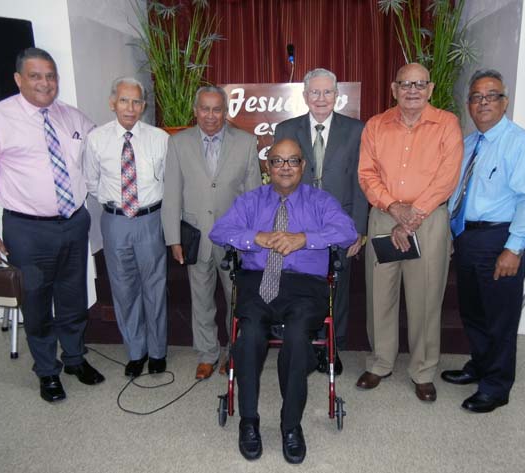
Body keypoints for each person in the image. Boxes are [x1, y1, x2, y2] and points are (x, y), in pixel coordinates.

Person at [0, 47, 104, 403]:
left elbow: (101, 152)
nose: (45, 83)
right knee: (37, 302)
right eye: (35, 75)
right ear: (18, 79)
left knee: (73, 297)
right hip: (27, 230)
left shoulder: (73, 118)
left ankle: (74, 358)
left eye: (50, 75)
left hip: (74, 223)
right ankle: (47, 370)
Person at [209, 139, 357, 464]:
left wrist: (305, 239)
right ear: (268, 167)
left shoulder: (320, 201)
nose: (285, 167)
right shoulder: (251, 201)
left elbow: (347, 231)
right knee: (248, 337)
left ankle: (291, 425)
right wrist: (255, 237)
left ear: (303, 166)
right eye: (278, 161)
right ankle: (249, 422)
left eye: (292, 161)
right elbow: (219, 232)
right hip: (257, 283)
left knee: (297, 336)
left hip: (305, 287)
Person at [442, 69, 525, 413]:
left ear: (505, 102)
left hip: (501, 239)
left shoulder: (523, 144)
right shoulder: (469, 144)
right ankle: (480, 365)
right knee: (473, 312)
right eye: (476, 97)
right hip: (468, 237)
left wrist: (513, 247)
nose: (483, 102)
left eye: (491, 96)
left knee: (500, 317)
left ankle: (497, 386)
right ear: (470, 105)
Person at [357, 63, 463, 402]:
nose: (412, 90)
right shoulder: (375, 125)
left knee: (426, 297)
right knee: (379, 295)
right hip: (385, 216)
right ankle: (381, 362)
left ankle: (422, 370)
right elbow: (367, 174)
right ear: (394, 89)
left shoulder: (447, 124)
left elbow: (447, 178)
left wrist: (412, 216)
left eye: (419, 84)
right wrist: (393, 209)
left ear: (430, 89)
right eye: (405, 84)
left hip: (428, 220)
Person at [162, 86, 261, 380]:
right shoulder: (178, 143)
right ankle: (206, 354)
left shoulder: (245, 142)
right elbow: (172, 193)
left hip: (233, 239)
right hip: (195, 237)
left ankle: (235, 352)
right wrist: (173, 238)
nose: (210, 115)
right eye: (204, 109)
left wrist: (250, 239)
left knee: (236, 300)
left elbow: (253, 195)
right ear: (195, 111)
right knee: (201, 299)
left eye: (217, 109)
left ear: (225, 112)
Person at [274, 68, 367, 375]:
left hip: (340, 225)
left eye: (327, 92)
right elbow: (281, 179)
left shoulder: (356, 130)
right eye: (315, 92)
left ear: (337, 96)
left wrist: (358, 230)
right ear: (305, 96)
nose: (321, 98)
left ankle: (331, 346)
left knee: (337, 289)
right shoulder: (286, 129)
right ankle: (303, 341)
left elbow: (360, 182)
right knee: (302, 285)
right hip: (298, 226)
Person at [83, 77, 169, 377]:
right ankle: (136, 351)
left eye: (136, 102)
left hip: (150, 219)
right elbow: (92, 182)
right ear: (112, 103)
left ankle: (158, 351)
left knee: (154, 287)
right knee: (123, 289)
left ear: (143, 106)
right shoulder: (97, 139)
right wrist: (116, 205)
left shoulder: (160, 138)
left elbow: (169, 181)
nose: (130, 108)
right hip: (115, 221)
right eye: (124, 101)